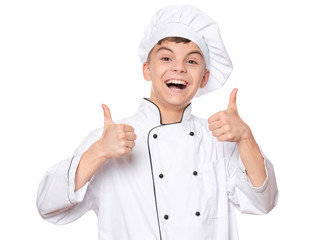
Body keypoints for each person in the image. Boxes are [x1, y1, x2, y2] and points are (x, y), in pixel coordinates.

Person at [37, 5, 278, 240]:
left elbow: (262, 203)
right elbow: (48, 206)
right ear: (147, 70)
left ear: (204, 77)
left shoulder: (220, 140)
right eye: (166, 58)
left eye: (192, 61)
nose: (179, 68)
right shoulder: (109, 139)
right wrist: (98, 152)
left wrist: (246, 138)